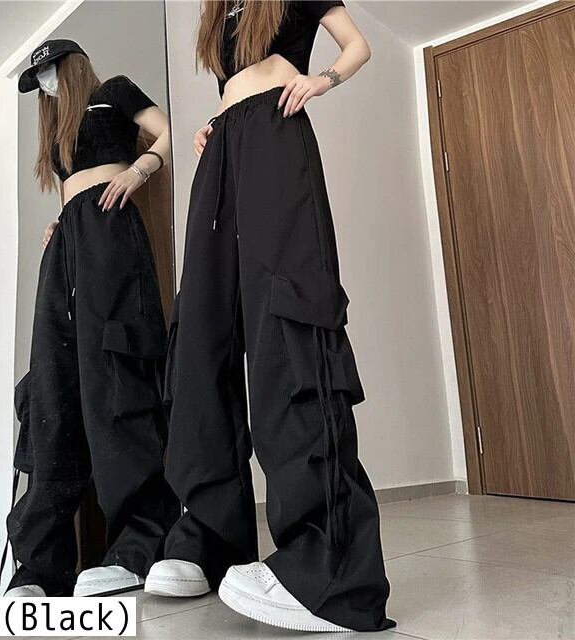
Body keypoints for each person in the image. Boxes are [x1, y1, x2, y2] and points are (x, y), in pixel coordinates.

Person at [144, 1, 395, 633]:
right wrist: (216, 124)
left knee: (289, 320)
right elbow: (233, 84)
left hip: (277, 137)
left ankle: (331, 568)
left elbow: (357, 45)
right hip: (223, 150)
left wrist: (321, 80)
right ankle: (210, 534)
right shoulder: (220, 13)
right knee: (202, 332)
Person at [0, 39, 180, 598]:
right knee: (52, 388)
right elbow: (69, 190)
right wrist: (61, 222)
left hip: (112, 229)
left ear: (71, 65)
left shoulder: (115, 92)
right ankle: (39, 567)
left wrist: (139, 171)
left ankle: (139, 545)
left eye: (49, 73)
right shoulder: (59, 131)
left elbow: (169, 132)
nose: (46, 87)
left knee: (116, 379)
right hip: (68, 242)